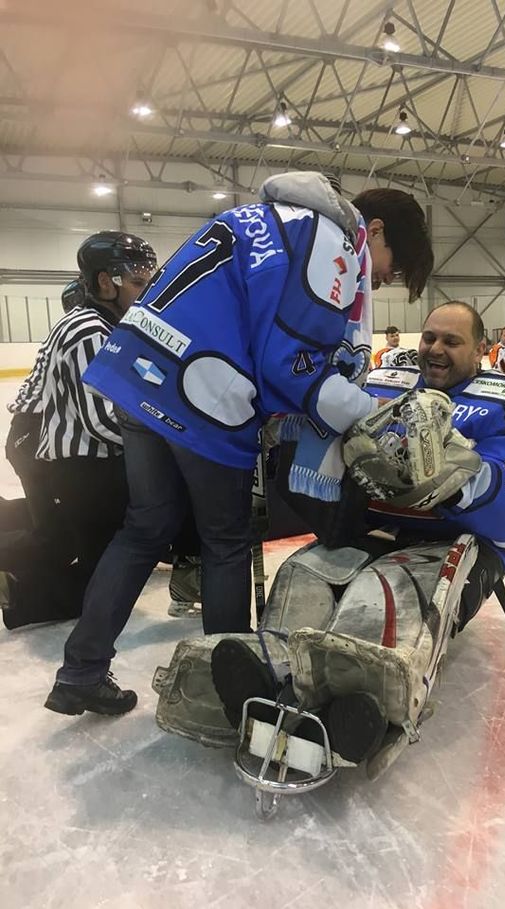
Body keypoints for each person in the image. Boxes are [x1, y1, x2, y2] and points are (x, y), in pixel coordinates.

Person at [45, 171, 434, 718]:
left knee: (142, 531)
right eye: (395, 270)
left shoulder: (264, 218)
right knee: (225, 541)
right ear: (374, 230)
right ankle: (231, 692)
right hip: (200, 394)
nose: (384, 281)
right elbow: (293, 367)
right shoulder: (333, 243)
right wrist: (373, 413)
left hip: (141, 377)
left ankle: (80, 672)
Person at [197, 301, 505, 766]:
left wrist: (450, 478)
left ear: (480, 349)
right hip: (376, 526)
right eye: (430, 338)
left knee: (383, 591)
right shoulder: (381, 384)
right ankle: (270, 669)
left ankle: (361, 709)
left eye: (452, 341)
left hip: (458, 541)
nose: (435, 349)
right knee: (306, 571)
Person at [2, 237, 157, 629]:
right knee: (89, 562)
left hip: (78, 462)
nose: (148, 291)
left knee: (81, 547)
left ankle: (18, 590)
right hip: (83, 466)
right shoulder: (89, 331)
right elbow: (101, 419)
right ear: (106, 283)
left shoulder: (101, 325)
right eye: (138, 282)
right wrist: (163, 437)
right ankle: (18, 593)